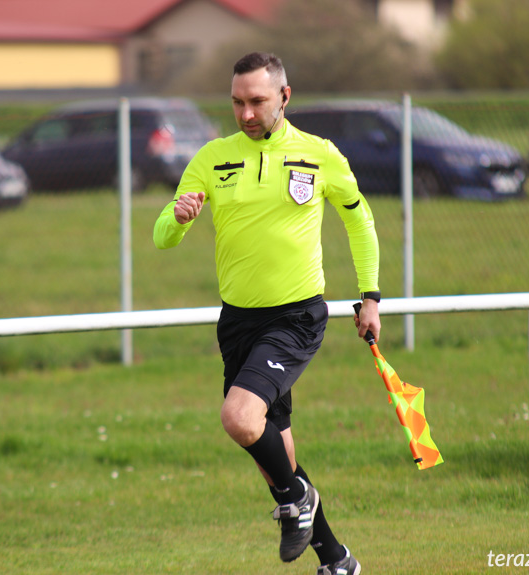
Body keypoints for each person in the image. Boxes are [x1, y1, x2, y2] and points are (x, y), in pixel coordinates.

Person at [153, 52, 380, 575]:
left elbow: (359, 221)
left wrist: (371, 296)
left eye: (257, 101)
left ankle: (297, 497)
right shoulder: (212, 157)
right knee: (270, 448)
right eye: (237, 102)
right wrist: (178, 217)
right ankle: (336, 559)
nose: (247, 113)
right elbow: (163, 236)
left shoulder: (319, 154)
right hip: (238, 321)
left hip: (296, 317)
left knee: (239, 418)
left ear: (284, 96)